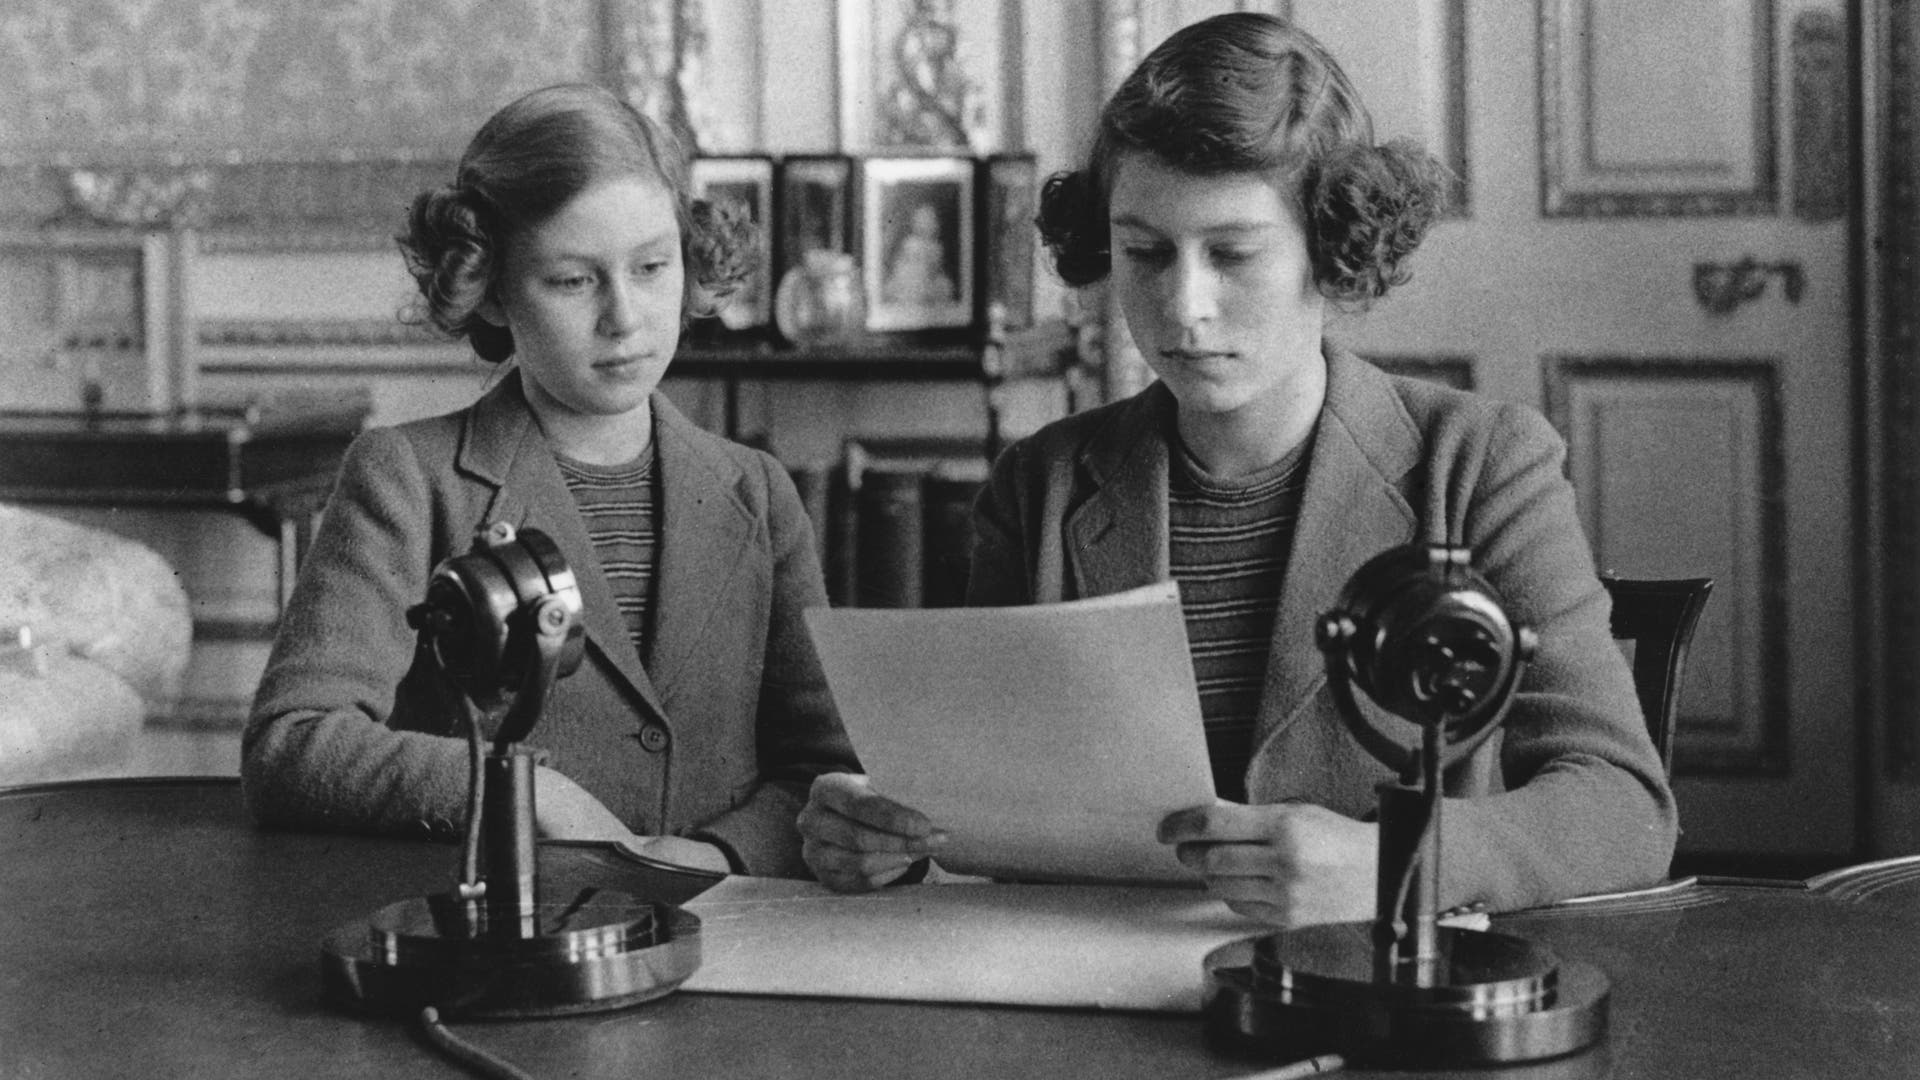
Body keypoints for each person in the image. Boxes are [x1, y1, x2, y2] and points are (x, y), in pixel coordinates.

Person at [797, 13, 1677, 922]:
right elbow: (980, 806)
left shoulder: (1482, 463)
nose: (1184, 307)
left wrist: (1396, 863)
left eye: (1232, 253)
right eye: (1143, 253)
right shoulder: (1041, 484)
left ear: (1333, 251)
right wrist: (884, 838)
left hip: (1380, 1005)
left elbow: (1621, 805)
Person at [243, 84, 856, 878]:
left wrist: (713, 854)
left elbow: (821, 773)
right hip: (499, 942)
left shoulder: (759, 492)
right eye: (573, 281)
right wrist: (517, 793)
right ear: (491, 287)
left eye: (651, 267)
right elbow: (292, 742)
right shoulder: (407, 477)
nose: (626, 317)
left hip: (725, 934)